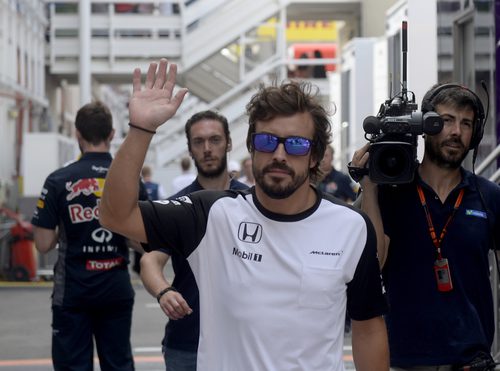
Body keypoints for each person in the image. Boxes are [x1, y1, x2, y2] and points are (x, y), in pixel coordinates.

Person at [100, 58, 389, 371]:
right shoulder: (212, 214)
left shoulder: (351, 227)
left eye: (295, 144)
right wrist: (142, 129)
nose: (279, 155)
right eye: (267, 141)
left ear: (314, 155)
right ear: (251, 146)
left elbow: (368, 327)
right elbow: (116, 216)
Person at [350, 83, 500, 370]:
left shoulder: (488, 196)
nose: (456, 131)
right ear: (426, 126)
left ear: (475, 135)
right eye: (445, 121)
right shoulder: (393, 192)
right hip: (404, 362)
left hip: (472, 362)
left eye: (466, 123)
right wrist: (369, 185)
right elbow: (376, 261)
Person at [31, 101, 136, 370]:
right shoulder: (129, 178)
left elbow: (42, 244)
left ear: (77, 134)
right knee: (118, 364)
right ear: (112, 134)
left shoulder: (58, 180)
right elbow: (142, 240)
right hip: (115, 287)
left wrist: (65, 228)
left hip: (73, 292)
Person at [140, 110, 248, 370]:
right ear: (189, 149)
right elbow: (150, 261)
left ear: (229, 143)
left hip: (245, 342)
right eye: (198, 142)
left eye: (215, 140)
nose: (207, 149)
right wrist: (163, 291)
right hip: (188, 343)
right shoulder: (179, 205)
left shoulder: (252, 202)